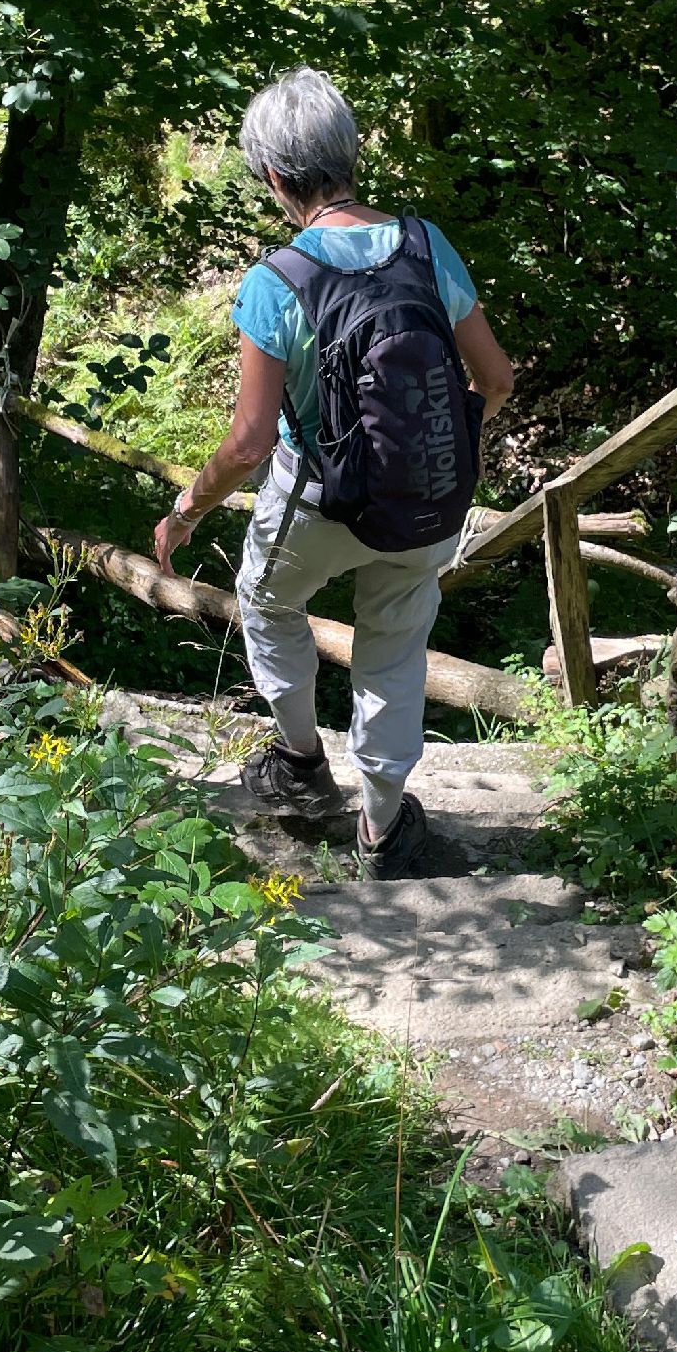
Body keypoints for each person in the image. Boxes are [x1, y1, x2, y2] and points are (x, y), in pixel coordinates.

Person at [152, 68, 515, 878]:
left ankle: (300, 762)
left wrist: (185, 511)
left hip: (317, 502)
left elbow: (249, 442)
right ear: (350, 154)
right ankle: (383, 833)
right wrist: (439, 449)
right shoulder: (426, 245)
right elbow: (496, 379)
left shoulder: (276, 280)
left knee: (265, 600)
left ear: (275, 176)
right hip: (425, 503)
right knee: (395, 648)